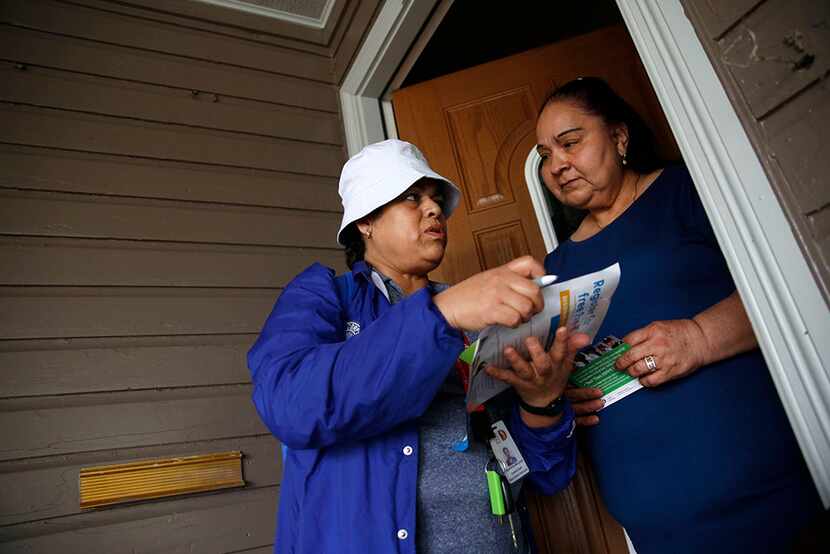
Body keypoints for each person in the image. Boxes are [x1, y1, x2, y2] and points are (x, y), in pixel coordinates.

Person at [248, 139, 588, 553]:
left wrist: (541, 404)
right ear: (365, 222)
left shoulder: (478, 314)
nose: (434, 210)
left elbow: (542, 475)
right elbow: (290, 403)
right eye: (411, 197)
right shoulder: (324, 297)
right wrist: (441, 314)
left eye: (436, 199)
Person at [536, 77, 822, 554]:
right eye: (545, 155)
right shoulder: (557, 266)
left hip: (769, 496)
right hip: (659, 525)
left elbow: (794, 288)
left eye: (570, 142)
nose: (557, 164)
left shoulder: (689, 191)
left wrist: (699, 336)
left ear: (620, 137)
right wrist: (562, 394)